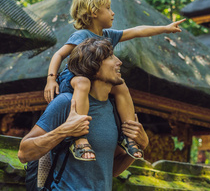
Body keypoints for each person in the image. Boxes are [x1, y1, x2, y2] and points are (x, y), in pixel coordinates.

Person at [43, 0, 185, 160]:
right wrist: (51, 79)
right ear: (94, 12)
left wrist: (165, 29)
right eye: (108, 8)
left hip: (95, 79)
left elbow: (137, 31)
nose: (113, 12)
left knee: (121, 85)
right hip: (74, 78)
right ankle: (79, 137)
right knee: (83, 82)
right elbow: (59, 54)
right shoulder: (81, 35)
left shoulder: (108, 35)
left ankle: (128, 135)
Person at [18, 38, 149, 190]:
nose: (119, 61)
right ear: (93, 65)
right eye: (111, 56)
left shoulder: (115, 109)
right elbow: (24, 153)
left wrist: (141, 145)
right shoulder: (67, 103)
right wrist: (64, 131)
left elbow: (111, 171)